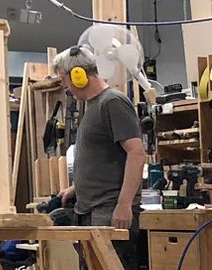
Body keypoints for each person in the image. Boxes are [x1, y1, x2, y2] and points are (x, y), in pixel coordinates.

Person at [54, 44, 147, 254]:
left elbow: (136, 153)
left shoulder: (112, 102)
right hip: (92, 209)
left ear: (78, 75)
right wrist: (77, 188)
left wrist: (124, 205)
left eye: (64, 79)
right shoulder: (93, 105)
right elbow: (102, 157)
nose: (66, 87)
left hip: (109, 210)